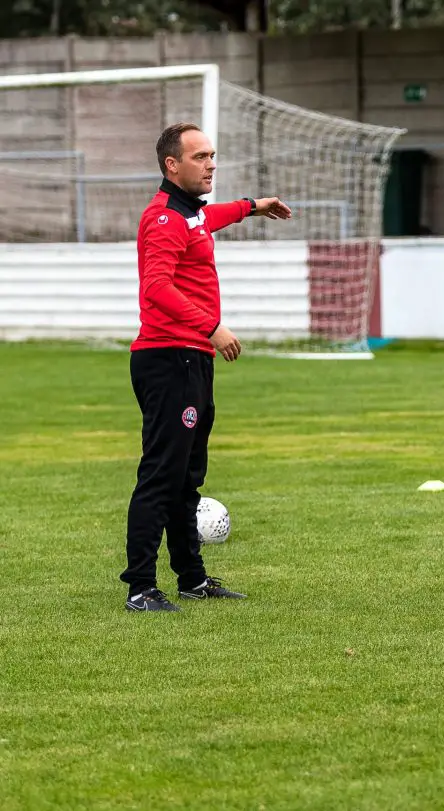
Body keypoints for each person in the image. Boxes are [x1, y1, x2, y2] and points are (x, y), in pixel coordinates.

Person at [123, 122, 292, 612]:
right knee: (161, 473)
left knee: (187, 476)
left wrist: (252, 206)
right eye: (200, 157)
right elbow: (156, 288)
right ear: (172, 165)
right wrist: (211, 326)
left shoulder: (189, 213)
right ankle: (140, 586)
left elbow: (210, 218)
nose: (211, 163)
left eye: (213, 155)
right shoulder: (162, 219)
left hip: (190, 358)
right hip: (166, 358)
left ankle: (192, 579)